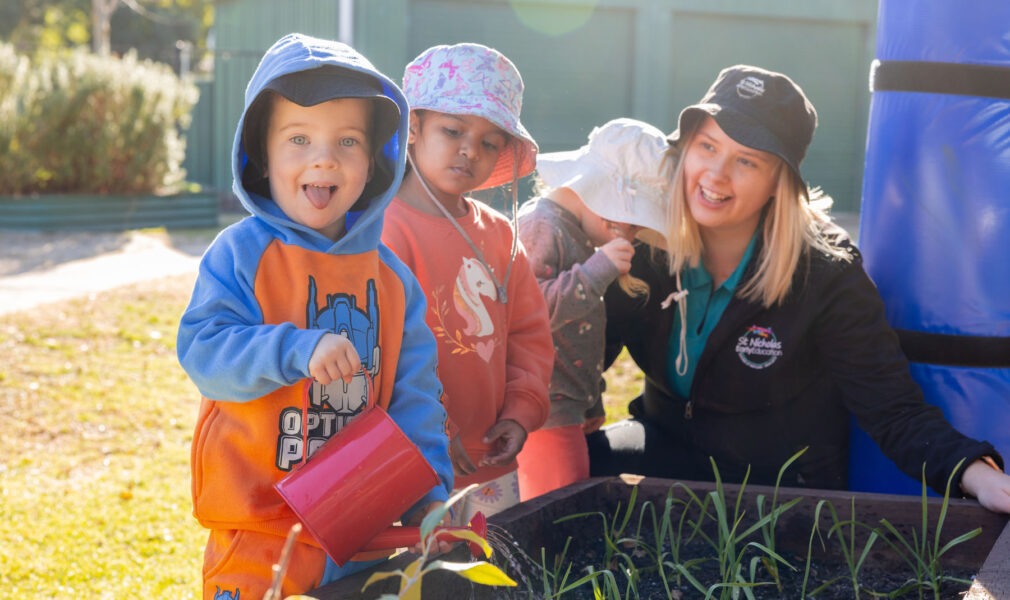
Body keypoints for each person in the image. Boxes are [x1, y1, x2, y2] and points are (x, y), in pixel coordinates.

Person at [588, 64, 1010, 513]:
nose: (716, 174)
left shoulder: (827, 274)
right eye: (707, 147)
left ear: (779, 182)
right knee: (574, 466)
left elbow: (892, 409)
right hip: (667, 449)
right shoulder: (645, 246)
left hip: (782, 492)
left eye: (746, 160)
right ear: (685, 150)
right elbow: (584, 356)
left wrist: (978, 475)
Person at [176, 33, 453, 599]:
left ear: (377, 161)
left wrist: (431, 495)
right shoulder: (241, 254)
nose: (323, 157)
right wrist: (294, 349)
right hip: (257, 529)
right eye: (298, 138)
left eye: (347, 141)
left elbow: (416, 396)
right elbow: (204, 352)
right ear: (260, 154)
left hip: (360, 533)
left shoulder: (394, 281)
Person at [381, 42, 553, 525]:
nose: (469, 150)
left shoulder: (501, 235)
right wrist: (433, 429)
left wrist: (522, 410)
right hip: (413, 460)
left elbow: (529, 335)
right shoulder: (383, 231)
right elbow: (383, 350)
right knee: (420, 578)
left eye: (490, 141)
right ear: (412, 127)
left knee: (492, 575)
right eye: (453, 130)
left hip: (493, 459)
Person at [514, 118, 671, 500]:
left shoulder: (575, 232)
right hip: (541, 409)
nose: (633, 237)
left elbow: (577, 332)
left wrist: (590, 399)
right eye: (633, 226)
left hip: (565, 407)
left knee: (567, 502)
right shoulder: (542, 227)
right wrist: (595, 272)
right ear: (609, 210)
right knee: (559, 512)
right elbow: (529, 311)